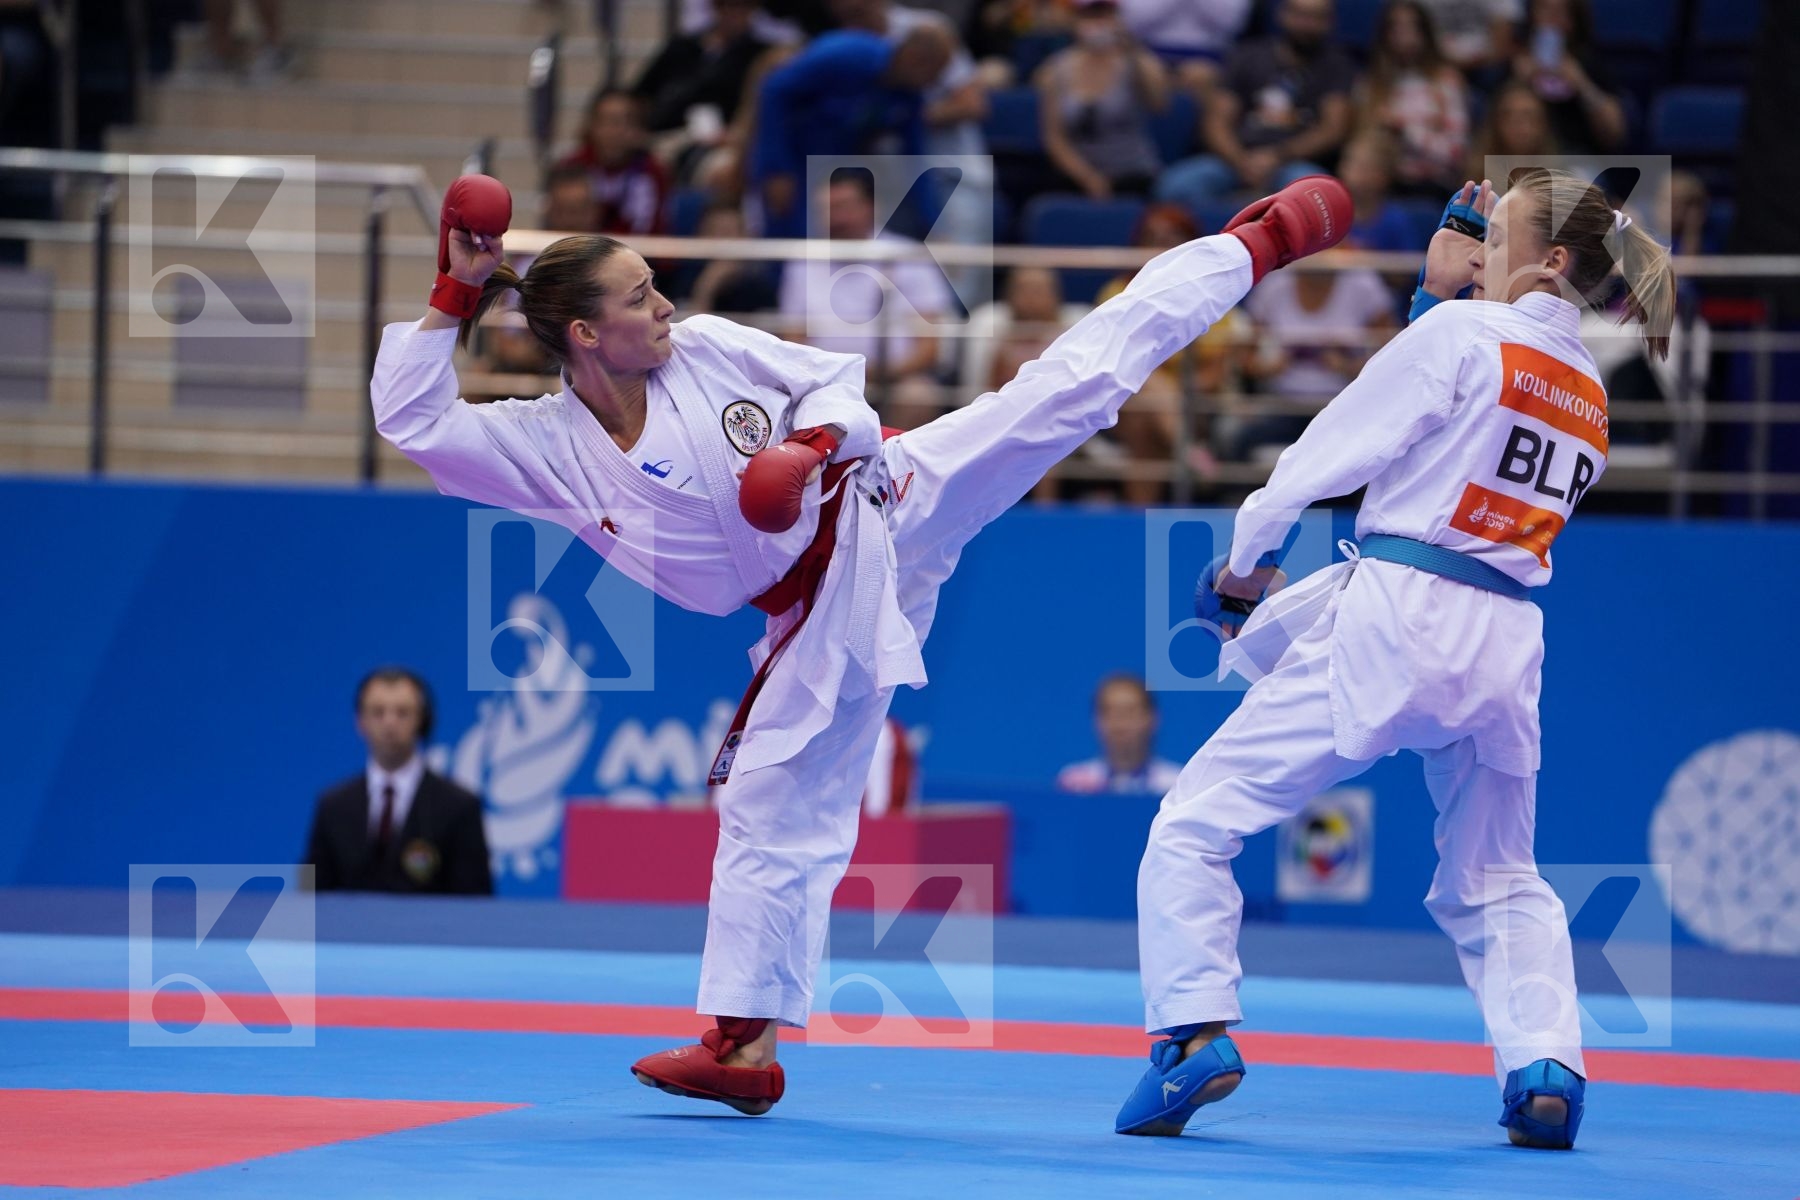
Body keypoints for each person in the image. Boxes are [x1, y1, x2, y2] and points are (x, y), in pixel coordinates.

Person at [375, 172, 1352, 1115]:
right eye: (641, 296)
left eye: (658, 284)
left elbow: (832, 383)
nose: (666, 305)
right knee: (769, 801)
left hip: (881, 497)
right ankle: (744, 1049)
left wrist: (806, 449)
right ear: (586, 334)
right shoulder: (543, 449)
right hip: (805, 614)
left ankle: (1250, 244)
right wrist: (452, 292)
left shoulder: (707, 347)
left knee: (1067, 392)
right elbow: (412, 420)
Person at [1115, 168, 1677, 1152]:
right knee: (1499, 874)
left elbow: (1319, 459)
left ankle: (1193, 1034)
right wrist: (1439, 283)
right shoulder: (1585, 388)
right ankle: (1544, 1067)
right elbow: (1452, 410)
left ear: (1547, 258)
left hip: (1397, 621)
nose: (1477, 254)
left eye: (1492, 238)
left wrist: (1244, 569)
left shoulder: (1460, 337)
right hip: (1506, 643)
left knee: (1194, 825)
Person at [776, 173, 955, 429]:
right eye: (827, 209)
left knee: (918, 395)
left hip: (895, 378)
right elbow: (792, 338)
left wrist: (880, 373)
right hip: (823, 379)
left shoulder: (910, 257)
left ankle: (897, 467)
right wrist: (830, 375)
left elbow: (930, 346)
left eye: (843, 207)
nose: (836, 218)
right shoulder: (802, 262)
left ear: (871, 207)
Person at [749, 25, 953, 237]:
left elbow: (915, 160)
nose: (935, 83)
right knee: (787, 241)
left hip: (839, 170)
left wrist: (934, 226)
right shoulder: (845, 55)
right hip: (794, 158)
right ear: (915, 58)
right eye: (935, 73)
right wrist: (775, 169)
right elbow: (774, 90)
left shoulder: (910, 97)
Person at [305, 668, 494, 895]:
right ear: (360, 722)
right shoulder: (333, 806)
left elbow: (476, 904)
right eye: (378, 712)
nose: (389, 723)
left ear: (422, 721)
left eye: (402, 712)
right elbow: (310, 896)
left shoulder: (459, 807)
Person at [1154, 0, 1356, 208]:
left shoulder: (1337, 66)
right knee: (1177, 186)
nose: (1306, 24)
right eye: (1300, 15)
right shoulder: (1248, 56)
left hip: (1293, 161)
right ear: (1282, 15)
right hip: (1235, 157)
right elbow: (1216, 121)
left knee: (1315, 197)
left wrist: (1277, 156)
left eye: (1316, 18)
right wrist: (1240, 161)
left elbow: (1333, 129)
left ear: (1329, 22)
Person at [1033, 0, 1170, 200]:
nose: (1097, 24)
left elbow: (1159, 104)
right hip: (1076, 176)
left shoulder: (1137, 63)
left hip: (1133, 174)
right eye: (1090, 17)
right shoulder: (1055, 70)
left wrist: (1132, 49)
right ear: (1076, 21)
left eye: (1104, 16)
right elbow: (1054, 138)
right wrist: (1089, 178)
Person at [1356, 0, 1471, 197]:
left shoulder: (1446, 82)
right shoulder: (1370, 85)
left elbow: (1455, 153)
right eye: (1396, 28)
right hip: (1382, 185)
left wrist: (1404, 129)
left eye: (1412, 27)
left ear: (1426, 33)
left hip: (1432, 186)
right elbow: (1362, 146)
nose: (1404, 36)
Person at [1506, 0, 1625, 157]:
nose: (1552, 20)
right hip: (1523, 158)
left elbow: (1615, 132)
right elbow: (1493, 129)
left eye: (1561, 13)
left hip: (1575, 158)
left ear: (1573, 21)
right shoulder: (1516, 63)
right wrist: (1521, 82)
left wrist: (1582, 84)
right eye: (1545, 11)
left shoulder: (1588, 63)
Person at [556, 89, 672, 238]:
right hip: (578, 255)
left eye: (624, 122)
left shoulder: (653, 171)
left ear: (639, 129)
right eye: (607, 121)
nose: (615, 132)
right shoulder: (571, 167)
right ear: (591, 126)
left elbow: (658, 235)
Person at [1056, 674, 1183, 794]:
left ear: (1152, 718)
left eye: (1129, 712)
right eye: (1108, 712)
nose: (1119, 723)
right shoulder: (1074, 784)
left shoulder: (1176, 784)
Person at [1466, 78, 1557, 178]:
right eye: (1508, 115)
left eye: (1528, 115)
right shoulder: (1477, 177)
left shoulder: (1560, 176)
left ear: (1542, 122)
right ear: (1496, 122)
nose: (1518, 124)